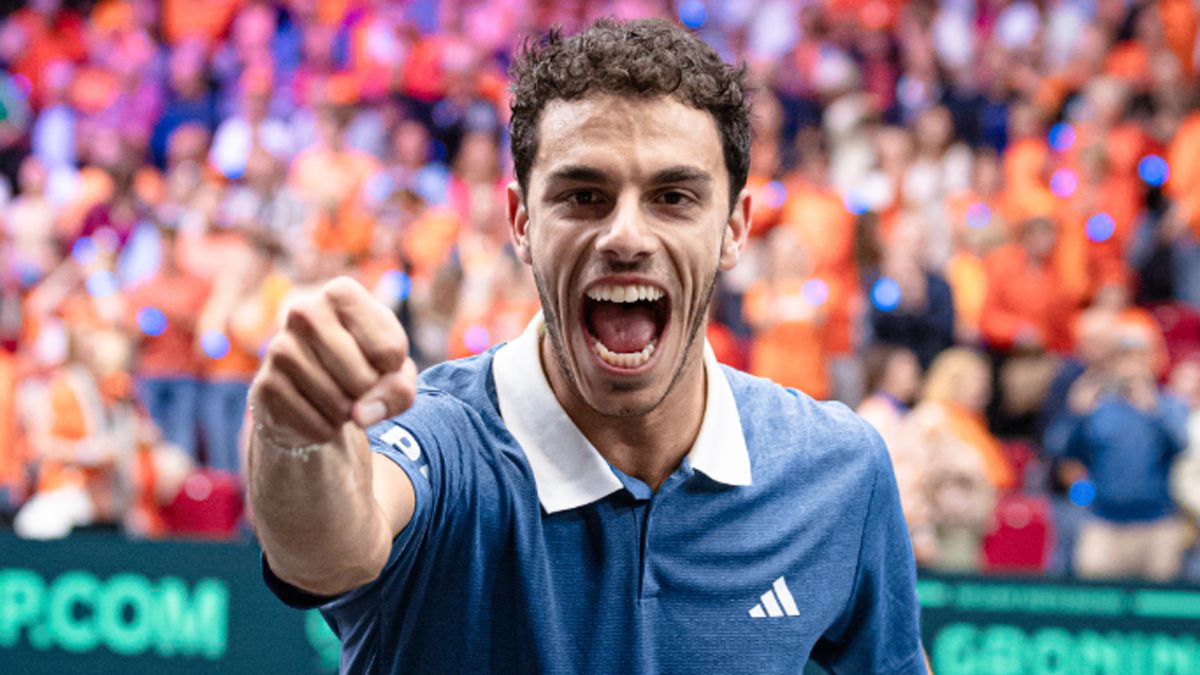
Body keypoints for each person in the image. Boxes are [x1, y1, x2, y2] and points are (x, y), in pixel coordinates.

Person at [248, 19, 923, 673]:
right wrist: (295, 440)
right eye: (584, 195)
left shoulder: (837, 471)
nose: (625, 235)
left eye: (673, 196)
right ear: (521, 221)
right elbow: (329, 547)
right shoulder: (438, 441)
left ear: (734, 227)